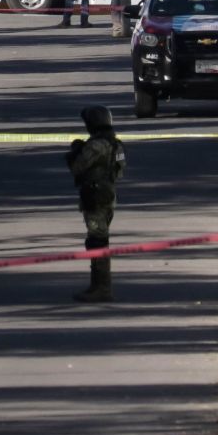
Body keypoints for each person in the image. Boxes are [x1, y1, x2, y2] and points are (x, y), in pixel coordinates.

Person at [65, 105, 125, 301]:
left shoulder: (96, 145)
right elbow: (120, 170)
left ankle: (101, 287)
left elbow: (77, 167)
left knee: (96, 241)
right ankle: (99, 286)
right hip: (109, 195)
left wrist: (76, 151)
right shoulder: (116, 144)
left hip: (95, 196)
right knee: (99, 238)